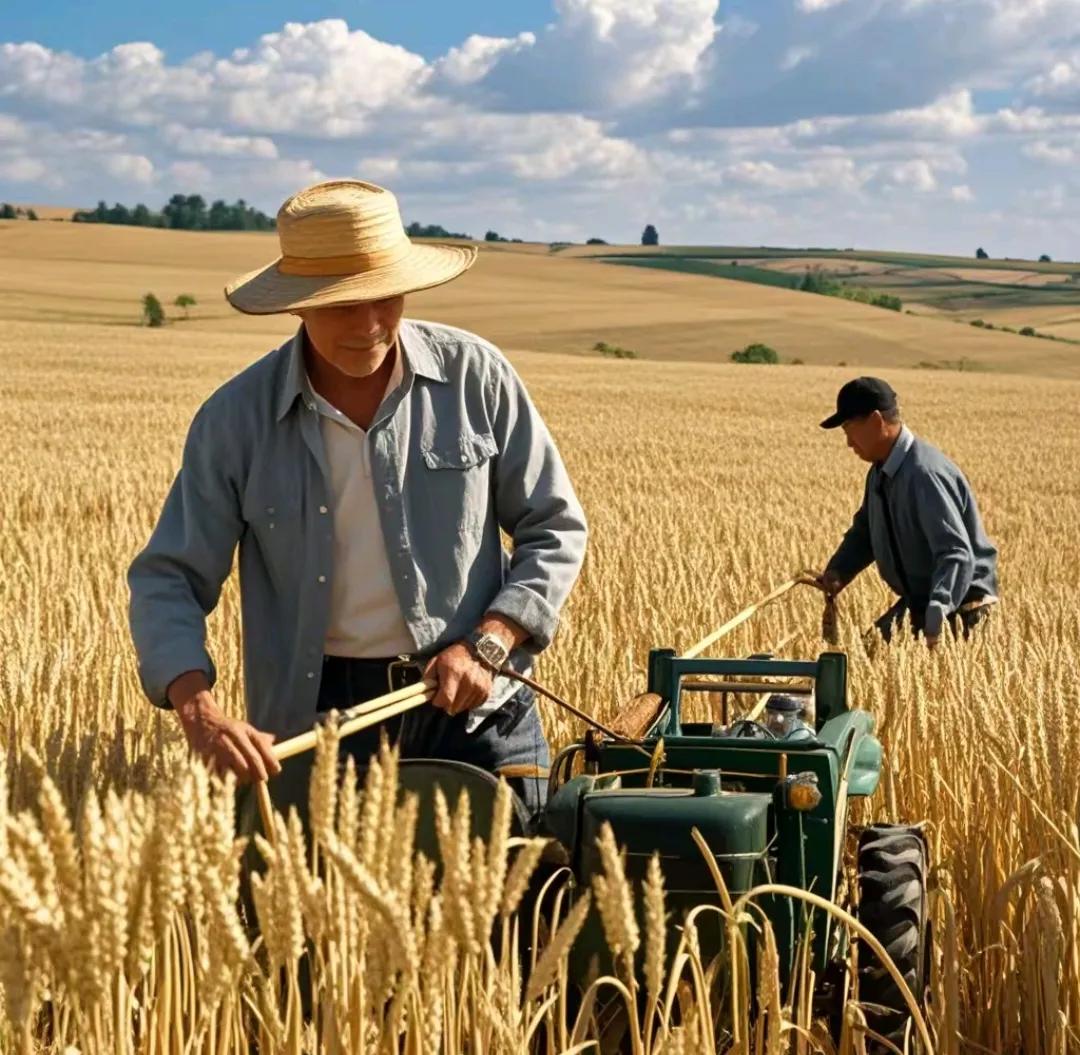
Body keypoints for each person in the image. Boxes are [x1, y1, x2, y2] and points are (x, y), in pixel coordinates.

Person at [128, 179, 587, 814]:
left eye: (384, 297)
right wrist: (199, 712)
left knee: (518, 876)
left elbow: (555, 527)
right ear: (297, 305)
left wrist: (490, 643)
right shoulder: (236, 420)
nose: (369, 325)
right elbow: (168, 579)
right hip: (320, 719)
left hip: (480, 705)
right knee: (316, 884)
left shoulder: (475, 378)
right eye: (342, 304)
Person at [816, 377, 998, 648]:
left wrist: (937, 614)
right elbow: (866, 532)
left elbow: (955, 553)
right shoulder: (879, 473)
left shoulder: (924, 474)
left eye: (848, 429)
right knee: (862, 658)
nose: (848, 443)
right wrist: (839, 571)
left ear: (876, 421)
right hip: (920, 601)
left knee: (873, 663)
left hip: (962, 607)